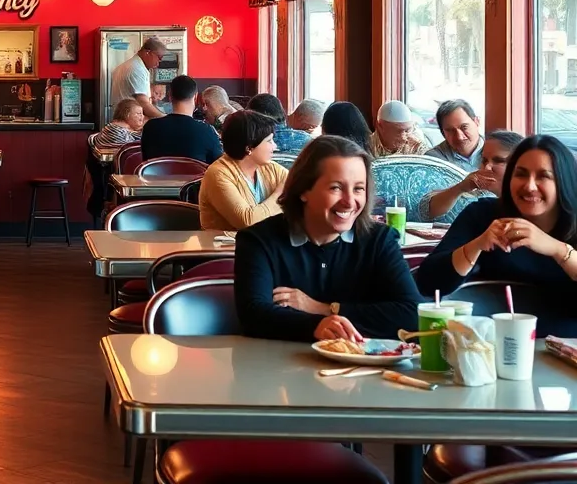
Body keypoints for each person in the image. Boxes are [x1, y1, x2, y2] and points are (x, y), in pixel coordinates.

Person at [234, 136, 421, 342]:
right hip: (281, 367)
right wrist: (316, 327)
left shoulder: (380, 240)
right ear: (304, 190)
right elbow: (254, 316)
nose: (349, 202)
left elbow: (412, 314)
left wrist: (324, 310)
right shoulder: (259, 241)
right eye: (336, 188)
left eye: (358, 189)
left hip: (366, 370)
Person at [415, 135, 577, 337]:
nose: (530, 186)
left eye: (544, 176)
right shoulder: (483, 215)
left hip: (565, 351)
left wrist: (557, 249)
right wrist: (477, 245)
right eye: (521, 174)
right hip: (486, 345)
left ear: (564, 181)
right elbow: (428, 283)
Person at [197, 111, 288, 231]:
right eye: (269, 141)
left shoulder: (270, 168)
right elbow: (247, 221)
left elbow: (300, 189)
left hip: (265, 246)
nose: (275, 147)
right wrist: (281, 195)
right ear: (249, 147)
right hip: (223, 249)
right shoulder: (218, 174)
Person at [426, 130, 524, 221]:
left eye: (498, 161)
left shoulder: (528, 205)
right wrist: (460, 188)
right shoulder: (478, 199)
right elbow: (429, 212)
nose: (487, 167)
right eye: (484, 160)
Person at [140, 74, 222, 163]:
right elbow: (218, 166)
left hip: (156, 177)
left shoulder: (150, 127)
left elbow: (146, 162)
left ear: (170, 96)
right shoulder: (207, 131)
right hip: (196, 177)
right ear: (195, 97)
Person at [110, 37, 167, 121]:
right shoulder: (137, 69)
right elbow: (143, 103)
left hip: (122, 121)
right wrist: (166, 118)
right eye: (159, 57)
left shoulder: (128, 65)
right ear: (148, 52)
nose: (159, 62)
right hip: (131, 124)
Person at [426, 99, 484, 172]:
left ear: (477, 122)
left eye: (464, 127)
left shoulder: (498, 151)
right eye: (450, 130)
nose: (459, 137)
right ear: (442, 133)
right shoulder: (434, 160)